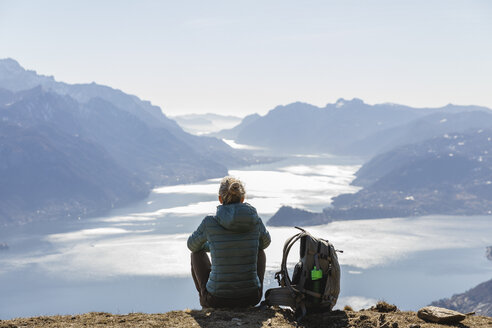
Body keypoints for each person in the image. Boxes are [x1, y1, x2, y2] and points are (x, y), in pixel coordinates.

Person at [188, 176, 271, 308]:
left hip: (216, 300)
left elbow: (191, 245)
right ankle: (253, 288)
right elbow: (265, 243)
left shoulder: (210, 222)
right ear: (243, 199)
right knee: (260, 250)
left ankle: (205, 300)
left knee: (196, 253)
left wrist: (214, 244)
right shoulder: (255, 220)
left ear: (220, 199)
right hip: (251, 297)